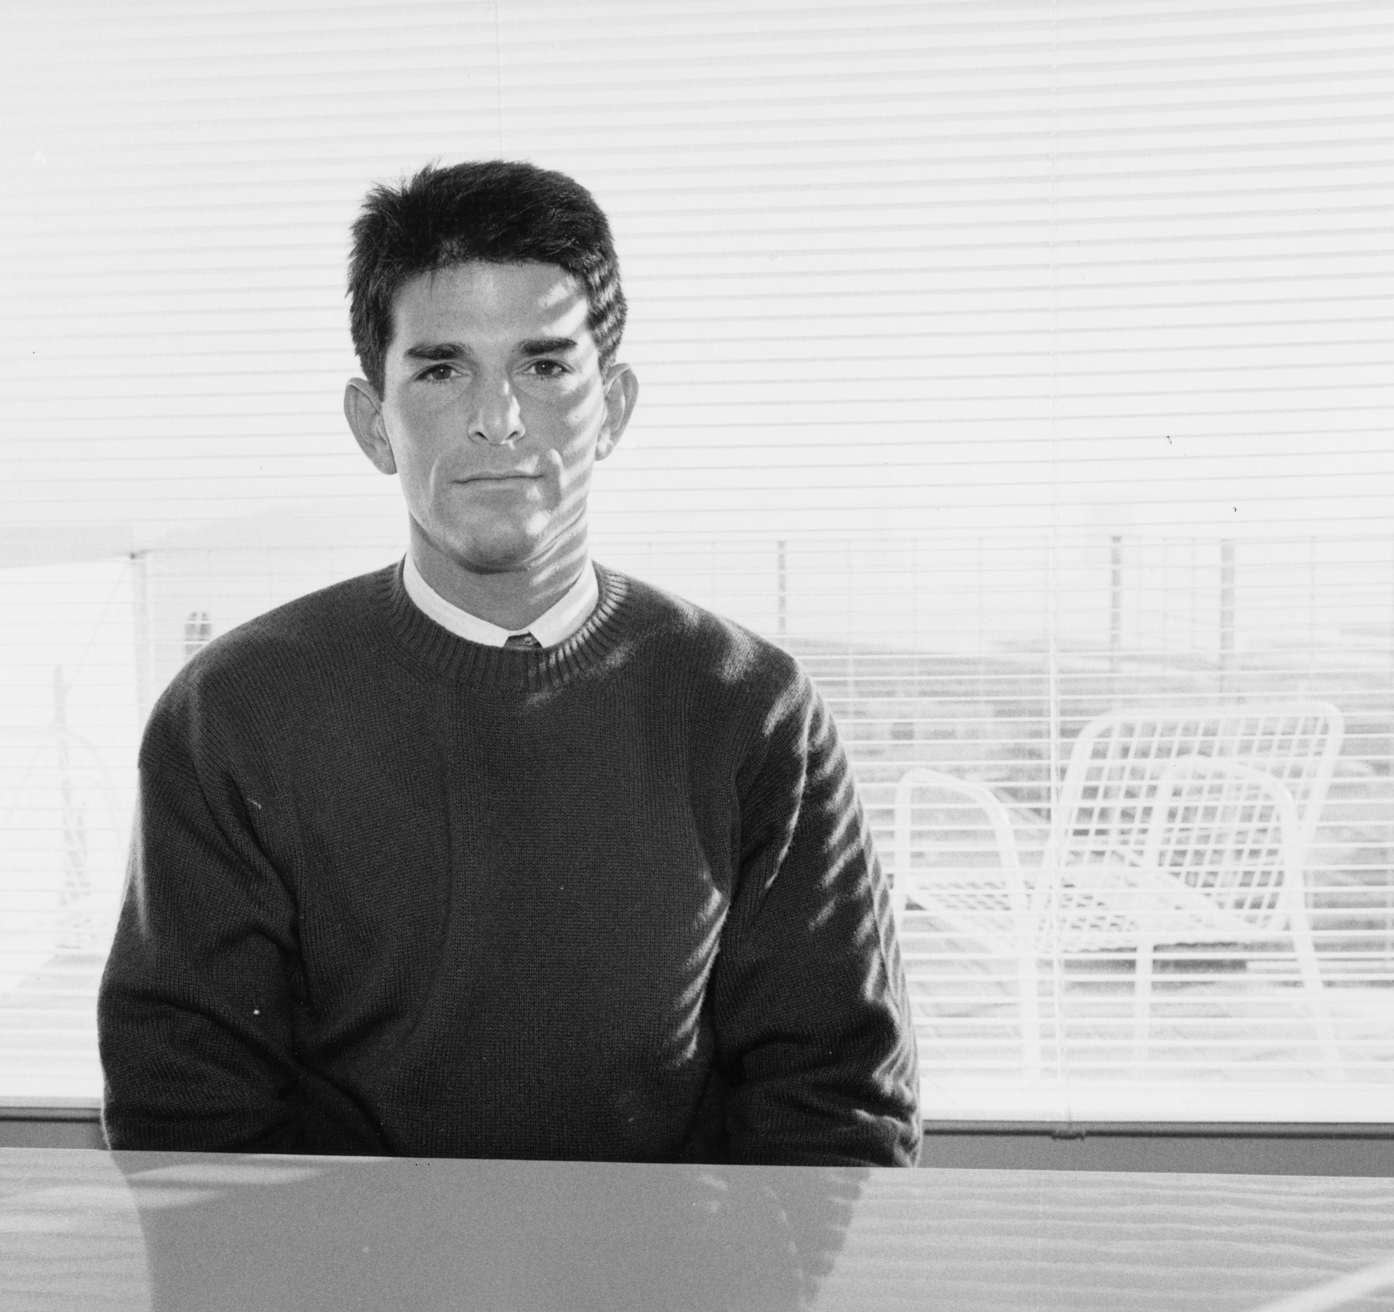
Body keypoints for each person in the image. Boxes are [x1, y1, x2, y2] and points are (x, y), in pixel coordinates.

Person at [97, 160, 920, 1167]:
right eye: (441, 369)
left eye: (543, 364)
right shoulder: (232, 713)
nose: (498, 418)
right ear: (371, 422)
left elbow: (837, 1110)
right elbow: (186, 1120)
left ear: (612, 405)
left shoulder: (749, 709)